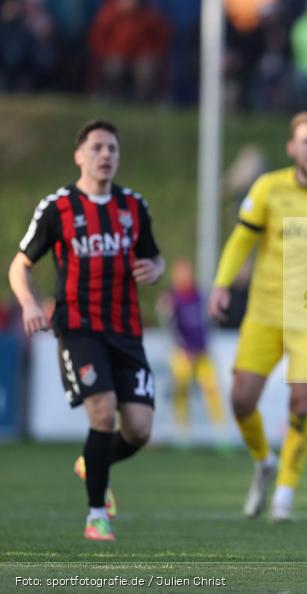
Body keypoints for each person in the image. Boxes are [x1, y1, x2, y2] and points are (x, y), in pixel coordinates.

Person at [208, 111, 307, 522]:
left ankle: (284, 492)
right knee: (242, 399)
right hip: (265, 311)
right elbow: (241, 238)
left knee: (303, 402)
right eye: (306, 140)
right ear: (292, 148)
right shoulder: (268, 188)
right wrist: (222, 283)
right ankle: (263, 461)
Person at [7, 119, 165, 542]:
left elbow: (155, 257)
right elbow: (20, 265)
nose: (105, 155)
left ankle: (92, 464)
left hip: (126, 330)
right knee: (102, 409)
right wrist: (27, 303)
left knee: (139, 429)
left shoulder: (134, 206)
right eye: (96, 147)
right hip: (78, 327)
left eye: (112, 148)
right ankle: (97, 514)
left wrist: (155, 268)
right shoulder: (57, 208)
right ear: (79, 155)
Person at [157, 257, 225, 444]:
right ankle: (182, 435)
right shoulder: (171, 300)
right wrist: (181, 347)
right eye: (181, 272)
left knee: (212, 390)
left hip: (202, 351)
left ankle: (221, 434)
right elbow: (170, 328)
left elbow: (206, 323)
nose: (185, 276)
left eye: (187, 271)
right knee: (181, 391)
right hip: (182, 353)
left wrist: (204, 346)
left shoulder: (200, 295)